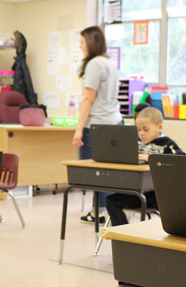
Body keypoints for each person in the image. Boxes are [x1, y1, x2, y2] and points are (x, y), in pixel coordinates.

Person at [72, 25, 123, 225]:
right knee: (109, 169)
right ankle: (105, 209)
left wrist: (78, 129)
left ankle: (99, 212)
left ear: (91, 43)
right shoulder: (110, 63)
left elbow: (88, 98)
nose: (80, 46)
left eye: (82, 42)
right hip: (114, 121)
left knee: (95, 172)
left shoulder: (94, 64)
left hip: (97, 126)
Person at [105, 107, 185, 226]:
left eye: (146, 129)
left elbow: (181, 158)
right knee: (111, 200)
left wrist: (151, 158)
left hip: (157, 195)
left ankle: (173, 229)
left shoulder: (167, 144)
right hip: (136, 191)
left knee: (172, 207)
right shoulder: (134, 142)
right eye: (139, 129)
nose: (141, 133)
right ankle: (124, 232)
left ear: (159, 127)